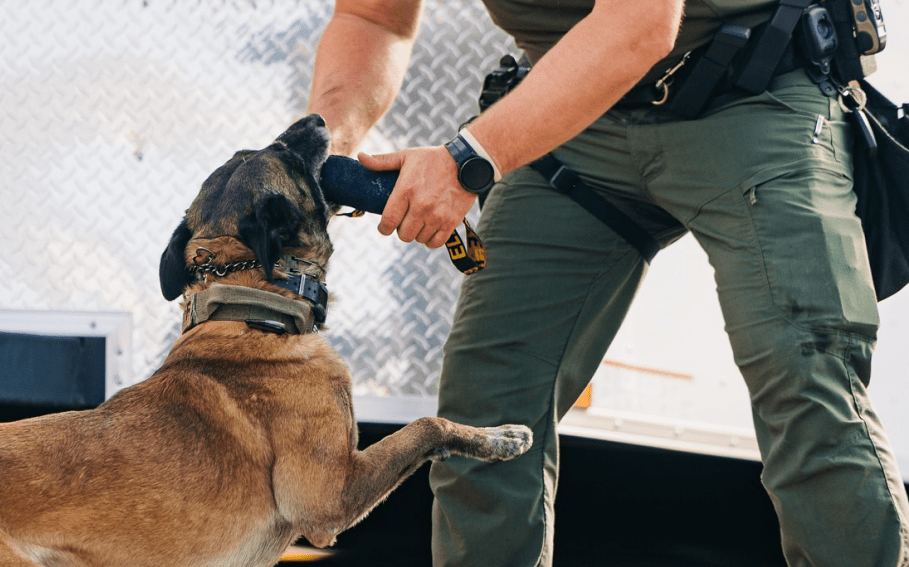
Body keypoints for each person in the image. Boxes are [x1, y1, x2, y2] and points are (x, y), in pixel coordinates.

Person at [307, 0, 909, 565]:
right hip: (577, 116)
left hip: (752, 91)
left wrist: (470, 159)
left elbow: (641, 22)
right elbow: (374, 17)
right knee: (486, 414)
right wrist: (318, 150)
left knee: (806, 379)